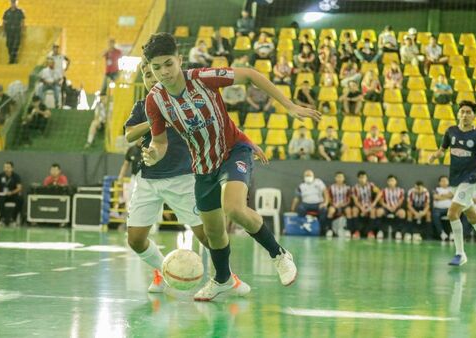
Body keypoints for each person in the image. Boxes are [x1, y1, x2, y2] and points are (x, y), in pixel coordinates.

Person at [142, 33, 318, 300]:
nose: (164, 72)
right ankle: (222, 280)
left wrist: (288, 105)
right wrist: (155, 155)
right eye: (156, 68)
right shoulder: (154, 101)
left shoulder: (202, 78)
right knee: (213, 232)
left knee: (234, 208)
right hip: (202, 166)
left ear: (179, 60)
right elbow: (159, 142)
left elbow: (249, 74)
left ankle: (279, 254)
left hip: (233, 150)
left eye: (168, 64)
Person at [122, 62, 238, 294]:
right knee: (135, 239)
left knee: (207, 236)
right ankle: (163, 270)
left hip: (183, 178)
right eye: (146, 75)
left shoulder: (183, 102)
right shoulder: (143, 105)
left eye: (154, 73)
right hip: (148, 179)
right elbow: (129, 134)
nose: (152, 78)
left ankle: (227, 278)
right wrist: (156, 120)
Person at [428, 100, 476, 266]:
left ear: (474, 116)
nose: (465, 115)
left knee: (452, 213)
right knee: (473, 217)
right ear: (458, 114)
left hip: (470, 179)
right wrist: (434, 156)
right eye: (462, 111)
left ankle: (460, 253)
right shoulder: (451, 131)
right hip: (455, 179)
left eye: (469, 112)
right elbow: (442, 149)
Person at [290, 170, 329, 236]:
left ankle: (322, 231)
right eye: (306, 176)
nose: (308, 177)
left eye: (309, 175)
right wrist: (292, 208)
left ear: (313, 176)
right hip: (306, 204)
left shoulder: (318, 182)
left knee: (324, 210)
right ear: (304, 177)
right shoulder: (301, 186)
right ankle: (304, 229)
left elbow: (325, 192)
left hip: (318, 203)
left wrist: (326, 203)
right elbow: (296, 198)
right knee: (300, 209)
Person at [349, 171, 381, 239]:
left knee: (373, 211)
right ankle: (356, 231)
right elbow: (355, 200)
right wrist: (361, 208)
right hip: (360, 205)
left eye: (363, 177)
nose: (362, 179)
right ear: (358, 179)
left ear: (366, 178)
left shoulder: (371, 185)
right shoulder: (354, 188)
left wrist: (374, 203)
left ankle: (370, 232)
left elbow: (380, 193)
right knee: (354, 210)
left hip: (370, 205)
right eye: (360, 178)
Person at [377, 175, 406, 240]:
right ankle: (380, 231)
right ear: (387, 182)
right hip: (386, 208)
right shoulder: (384, 190)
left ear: (396, 182)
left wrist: (395, 207)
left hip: (396, 208)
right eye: (389, 181)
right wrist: (388, 207)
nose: (391, 182)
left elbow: (401, 201)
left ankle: (398, 232)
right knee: (379, 211)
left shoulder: (400, 190)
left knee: (402, 213)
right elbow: (381, 201)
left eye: (392, 181)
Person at [0, 161, 22, 227]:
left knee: (20, 199)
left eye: (8, 167)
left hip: (13, 195)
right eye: (5, 167)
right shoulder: (0, 176)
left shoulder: (16, 176)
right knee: (0, 199)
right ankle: (2, 219)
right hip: (3, 195)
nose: (6, 169)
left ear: (12, 168)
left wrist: (11, 192)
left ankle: (13, 219)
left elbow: (19, 188)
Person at [327, 172, 353, 237]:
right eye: (338, 177)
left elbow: (349, 199)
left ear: (343, 178)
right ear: (335, 178)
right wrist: (333, 204)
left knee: (349, 211)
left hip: (344, 204)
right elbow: (329, 198)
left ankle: (348, 230)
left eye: (341, 177)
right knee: (330, 210)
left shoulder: (347, 187)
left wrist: (344, 204)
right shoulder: (331, 187)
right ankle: (329, 230)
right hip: (334, 204)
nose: (339, 179)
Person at [432, 176, 454, 241]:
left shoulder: (452, 189)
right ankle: (442, 233)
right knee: (435, 215)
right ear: (439, 182)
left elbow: (452, 195)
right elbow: (435, 197)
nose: (444, 182)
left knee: (456, 214)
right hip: (438, 209)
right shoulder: (436, 189)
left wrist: (441, 196)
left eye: (445, 181)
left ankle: (453, 233)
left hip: (450, 208)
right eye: (442, 181)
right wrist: (447, 196)